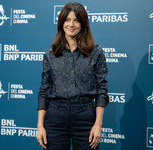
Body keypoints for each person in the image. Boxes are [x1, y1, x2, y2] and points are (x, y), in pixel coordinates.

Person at [36, 2, 109, 150]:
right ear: (61, 23)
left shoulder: (96, 53)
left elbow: (102, 90)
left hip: (85, 116)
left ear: (83, 24)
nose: (71, 24)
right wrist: (40, 126)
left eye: (76, 20)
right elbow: (44, 91)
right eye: (67, 20)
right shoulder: (50, 55)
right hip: (56, 116)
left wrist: (98, 124)